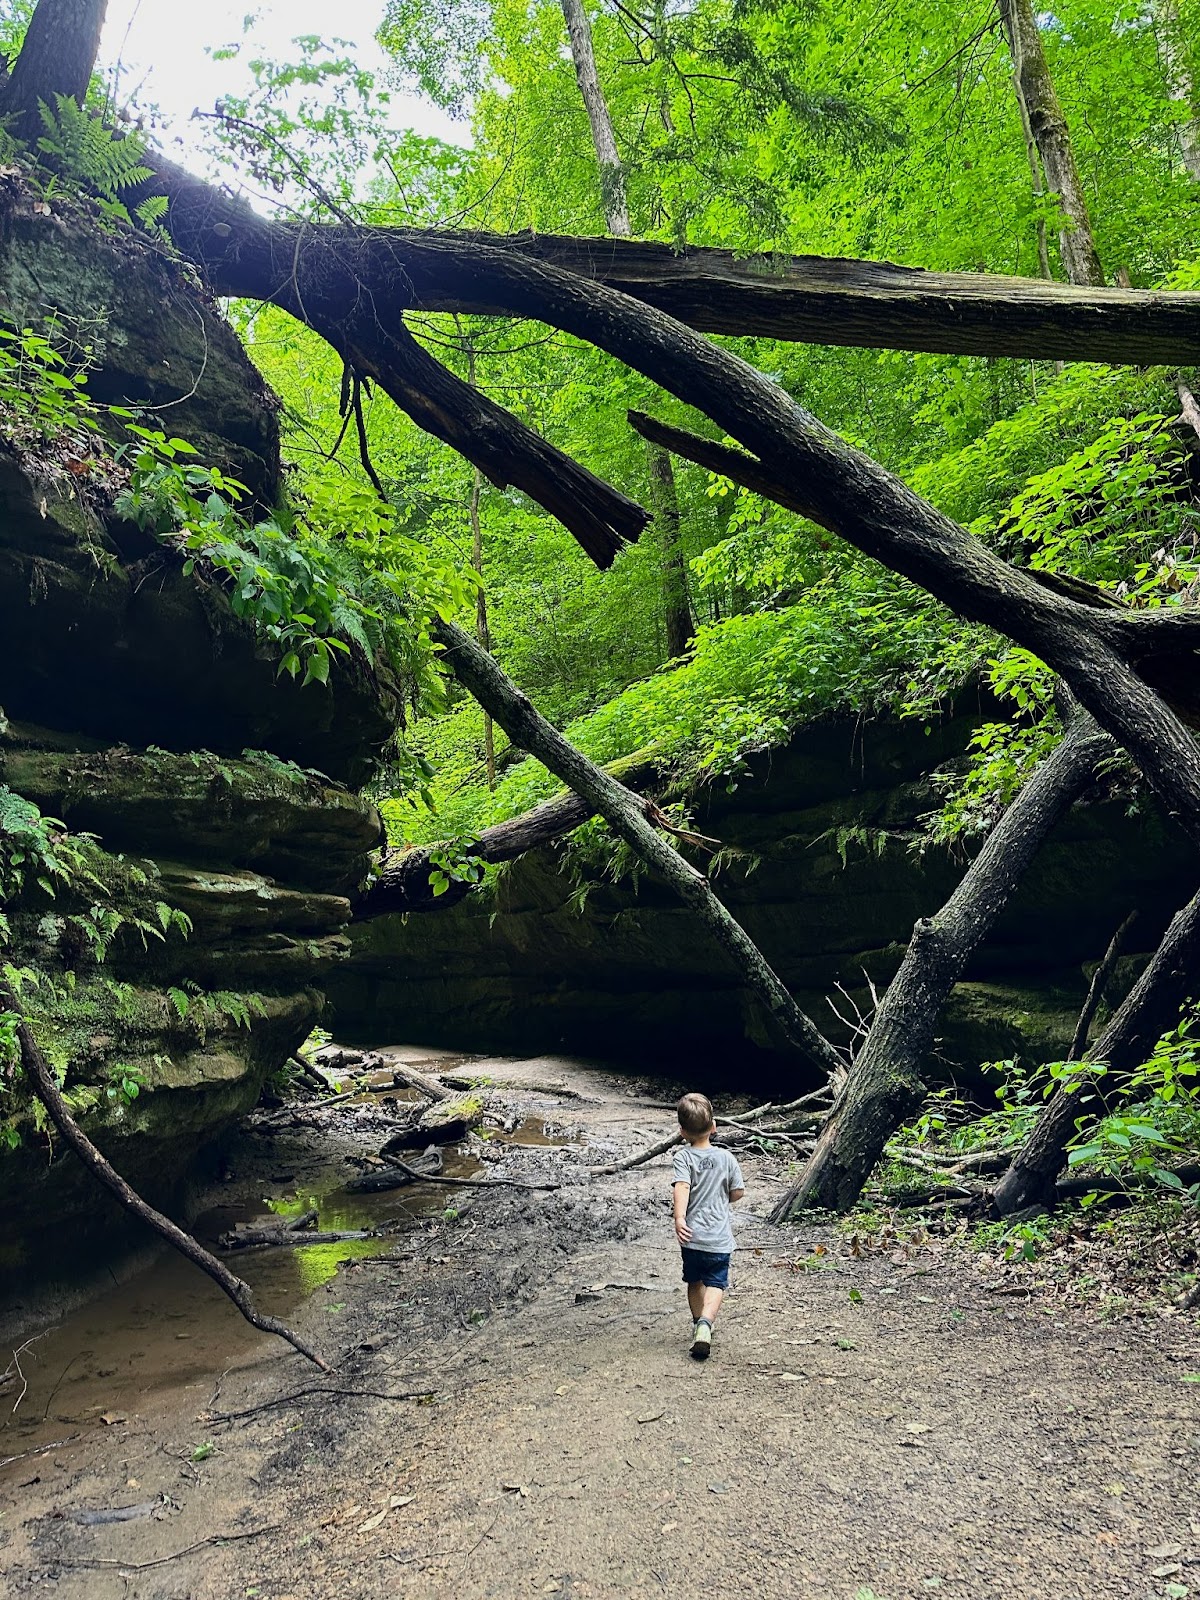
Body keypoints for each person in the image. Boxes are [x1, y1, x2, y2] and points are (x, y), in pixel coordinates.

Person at [671, 1091, 744, 1361]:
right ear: (714, 1127)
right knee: (716, 1282)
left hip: (692, 1236)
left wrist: (679, 1218)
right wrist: (724, 1193)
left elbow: (682, 1187)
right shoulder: (727, 1159)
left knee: (694, 1280)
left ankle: (696, 1323)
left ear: (682, 1132)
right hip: (718, 1238)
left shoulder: (683, 1158)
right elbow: (737, 1193)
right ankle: (706, 1324)